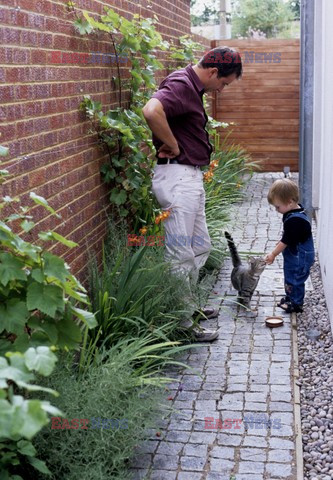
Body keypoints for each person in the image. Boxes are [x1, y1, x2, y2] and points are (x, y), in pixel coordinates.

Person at [142, 47, 242, 341]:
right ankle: (182, 324)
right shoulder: (182, 84)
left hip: (188, 177)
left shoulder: (190, 86)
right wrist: (172, 144)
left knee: (200, 247)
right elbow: (151, 110)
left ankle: (187, 305)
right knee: (180, 254)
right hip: (176, 176)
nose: (221, 90)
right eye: (223, 83)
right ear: (213, 72)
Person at [265, 178, 315, 313]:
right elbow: (290, 236)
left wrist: (273, 254)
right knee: (290, 276)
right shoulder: (295, 211)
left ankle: (296, 304)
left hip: (300, 256)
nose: (276, 210)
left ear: (290, 202)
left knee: (296, 278)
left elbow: (286, 240)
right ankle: (290, 297)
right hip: (296, 254)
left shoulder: (295, 220)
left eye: (277, 207)